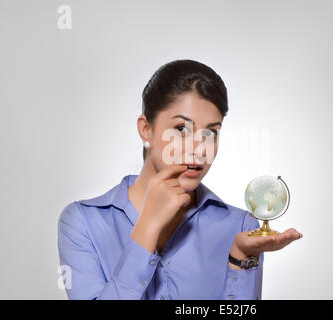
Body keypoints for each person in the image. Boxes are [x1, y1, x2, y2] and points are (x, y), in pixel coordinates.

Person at [57, 59, 303, 300]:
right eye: (181, 129)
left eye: (211, 132)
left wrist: (240, 259)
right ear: (146, 130)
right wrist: (148, 225)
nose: (199, 148)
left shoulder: (240, 228)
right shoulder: (83, 223)